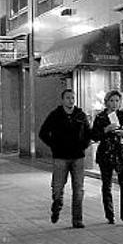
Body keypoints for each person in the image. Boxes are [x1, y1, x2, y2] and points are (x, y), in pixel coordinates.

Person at [39, 89, 92, 228]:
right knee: (57, 187)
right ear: (62, 100)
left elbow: (88, 133)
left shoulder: (80, 115)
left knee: (78, 189)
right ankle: (57, 204)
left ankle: (77, 219)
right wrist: (54, 145)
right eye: (68, 98)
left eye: (73, 98)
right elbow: (43, 133)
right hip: (60, 157)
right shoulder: (55, 115)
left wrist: (83, 145)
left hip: (78, 157)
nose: (71, 100)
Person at [92, 89, 123, 225]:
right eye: (111, 101)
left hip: (122, 154)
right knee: (106, 185)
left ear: (121, 103)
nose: (114, 104)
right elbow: (94, 135)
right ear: (106, 102)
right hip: (106, 154)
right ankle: (110, 215)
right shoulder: (100, 117)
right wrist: (105, 130)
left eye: (117, 101)